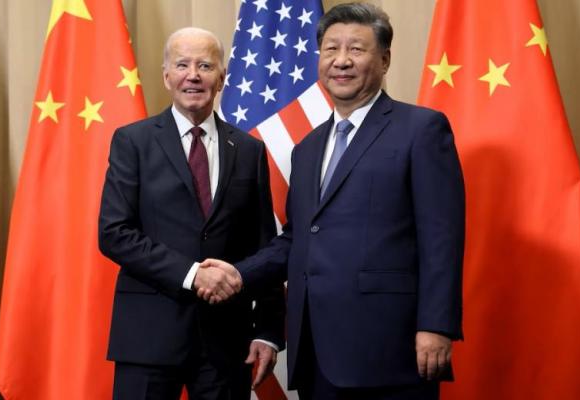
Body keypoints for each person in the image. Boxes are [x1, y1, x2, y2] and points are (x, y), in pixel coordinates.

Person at [198, 3, 465, 400]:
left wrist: (436, 326)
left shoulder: (421, 130)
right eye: (330, 49)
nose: (341, 61)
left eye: (356, 49)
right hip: (316, 351)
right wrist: (239, 274)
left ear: (385, 59)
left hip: (389, 348)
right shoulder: (307, 148)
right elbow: (297, 237)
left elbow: (441, 236)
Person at [98, 27, 284, 400]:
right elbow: (114, 233)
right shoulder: (132, 141)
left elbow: (264, 247)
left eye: (205, 65)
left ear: (222, 76)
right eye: (182, 64)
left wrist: (267, 330)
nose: (193, 75)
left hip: (226, 343)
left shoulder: (248, 150)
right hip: (148, 338)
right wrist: (192, 274)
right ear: (167, 76)